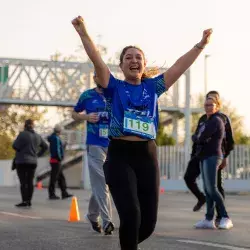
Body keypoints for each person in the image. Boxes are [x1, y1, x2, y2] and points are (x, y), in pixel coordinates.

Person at [72, 15, 212, 250]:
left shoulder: (153, 87)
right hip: (119, 156)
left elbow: (179, 66)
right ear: (121, 65)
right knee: (131, 214)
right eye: (128, 57)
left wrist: (200, 45)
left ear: (144, 64)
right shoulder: (113, 87)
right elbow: (96, 59)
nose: (134, 60)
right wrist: (83, 32)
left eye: (138, 57)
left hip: (147, 155)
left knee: (147, 224)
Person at [72, 73, 114, 235]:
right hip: (94, 143)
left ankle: (91, 215)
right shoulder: (87, 95)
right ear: (95, 78)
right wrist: (86, 117)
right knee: (102, 182)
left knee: (103, 183)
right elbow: (74, 113)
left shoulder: (115, 94)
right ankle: (107, 221)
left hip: (112, 143)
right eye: (99, 75)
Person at [184, 91, 234, 224]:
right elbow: (197, 138)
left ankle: (223, 216)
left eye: (211, 103)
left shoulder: (220, 119)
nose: (208, 106)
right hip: (201, 155)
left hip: (215, 155)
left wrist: (225, 156)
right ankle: (208, 216)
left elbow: (201, 137)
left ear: (217, 105)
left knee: (214, 187)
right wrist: (195, 150)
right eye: (206, 103)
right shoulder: (204, 119)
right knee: (204, 186)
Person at [13, 119, 48, 207]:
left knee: (23, 182)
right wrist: (38, 155)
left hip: (21, 162)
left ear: (25, 125)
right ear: (33, 126)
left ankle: (24, 201)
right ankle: (29, 201)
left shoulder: (22, 134)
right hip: (33, 162)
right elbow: (45, 146)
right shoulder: (37, 136)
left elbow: (15, 146)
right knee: (30, 181)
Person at [47, 124, 73, 200]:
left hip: (54, 160)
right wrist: (60, 157)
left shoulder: (54, 137)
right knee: (54, 178)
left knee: (61, 177)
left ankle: (64, 193)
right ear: (59, 131)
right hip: (56, 160)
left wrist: (63, 146)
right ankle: (52, 194)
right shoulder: (56, 138)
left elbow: (58, 148)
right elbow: (57, 150)